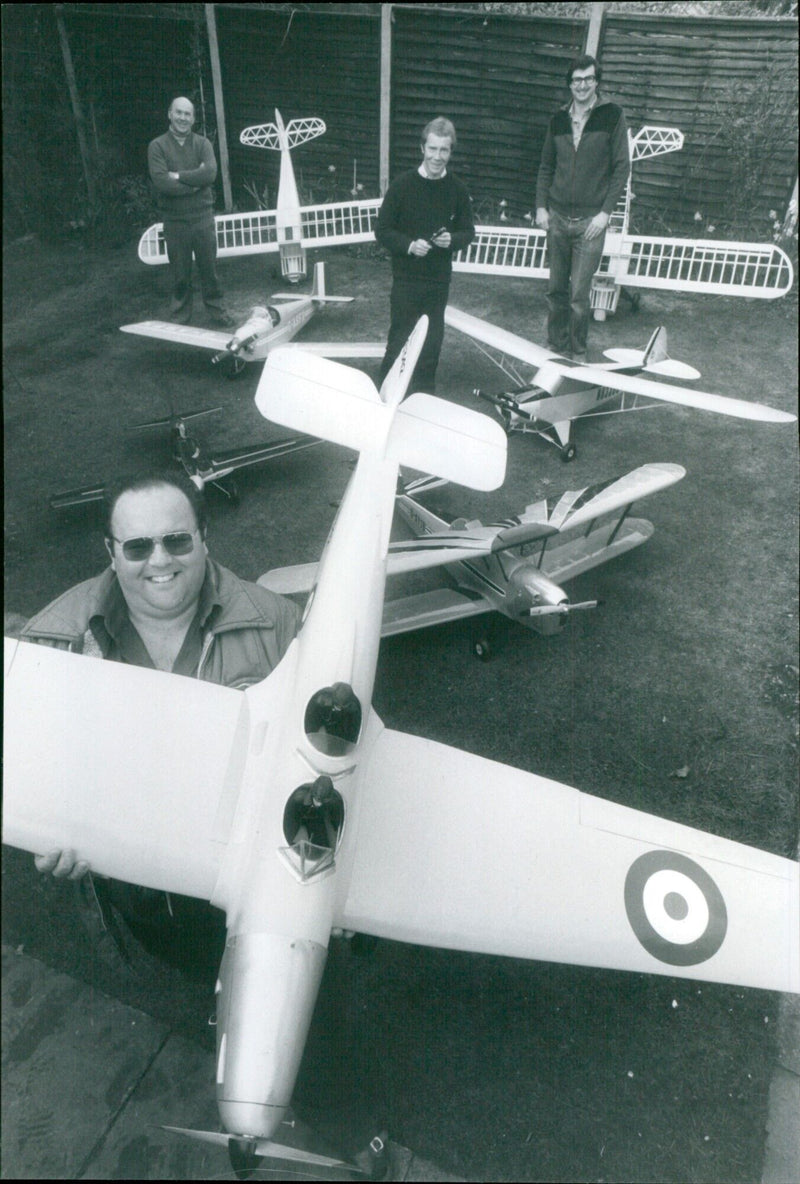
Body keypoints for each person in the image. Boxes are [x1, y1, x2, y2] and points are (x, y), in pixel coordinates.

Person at [24, 469, 300, 972]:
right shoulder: (53, 642)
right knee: (182, 961)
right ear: (111, 552)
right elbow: (34, 769)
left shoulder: (280, 625)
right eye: (137, 547)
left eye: (177, 540)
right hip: (138, 894)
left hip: (251, 880)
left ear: (204, 537)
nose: (159, 561)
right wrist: (44, 835)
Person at [535, 55, 630, 360]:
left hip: (591, 222)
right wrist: (541, 207)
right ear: (570, 84)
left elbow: (622, 167)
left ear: (596, 82)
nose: (582, 85)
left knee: (578, 295)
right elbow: (546, 166)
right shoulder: (557, 120)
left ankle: (578, 351)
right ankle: (555, 346)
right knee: (555, 291)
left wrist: (605, 213)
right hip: (558, 219)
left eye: (588, 78)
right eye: (577, 80)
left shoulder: (612, 115)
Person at [375, 116, 475, 394]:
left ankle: (422, 399)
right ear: (422, 148)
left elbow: (468, 232)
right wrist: (409, 246)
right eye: (432, 149)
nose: (437, 157)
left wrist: (452, 240)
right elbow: (382, 229)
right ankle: (382, 398)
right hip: (406, 279)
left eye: (444, 150)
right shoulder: (402, 185)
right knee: (399, 341)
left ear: (451, 152)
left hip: (438, 281)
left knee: (431, 345)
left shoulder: (457, 189)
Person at [148, 96, 230, 326]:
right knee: (180, 273)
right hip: (175, 221)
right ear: (169, 114)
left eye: (187, 114)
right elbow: (162, 183)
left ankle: (217, 311)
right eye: (178, 112)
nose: (183, 118)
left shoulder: (203, 144)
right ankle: (180, 316)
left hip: (202, 217)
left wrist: (179, 176)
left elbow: (210, 174)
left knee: (209, 269)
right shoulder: (157, 146)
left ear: (193, 118)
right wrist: (196, 183)